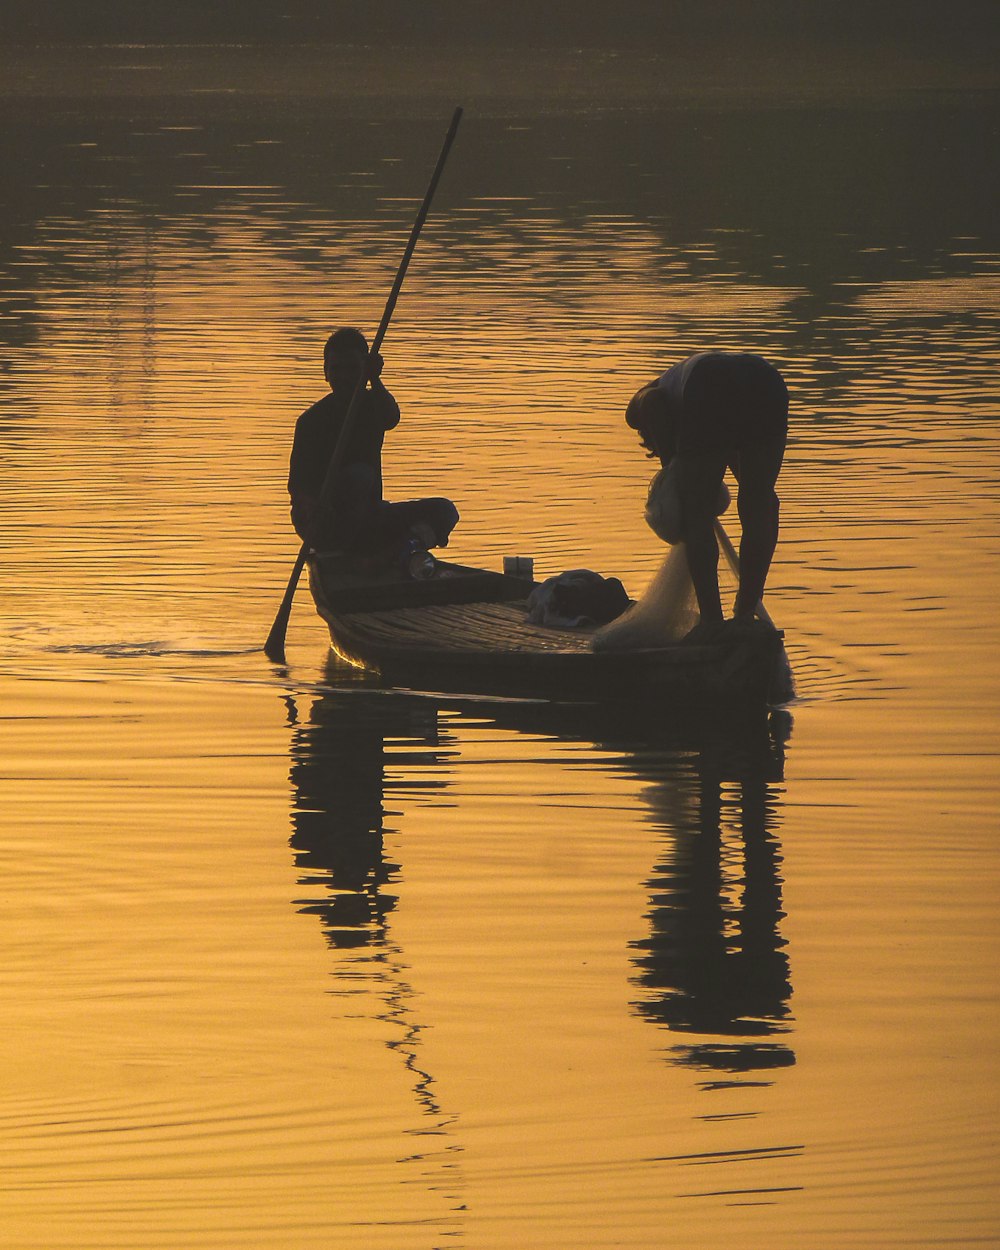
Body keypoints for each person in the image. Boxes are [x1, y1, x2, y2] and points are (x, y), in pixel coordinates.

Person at [625, 351, 788, 638]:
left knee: (695, 509)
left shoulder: (641, 404)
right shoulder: (683, 394)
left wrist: (674, 474)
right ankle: (744, 616)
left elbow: (651, 404)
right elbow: (733, 449)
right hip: (768, 383)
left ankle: (712, 622)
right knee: (760, 501)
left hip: (711, 385)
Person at [288, 327, 458, 562]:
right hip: (329, 524)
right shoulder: (310, 421)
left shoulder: (371, 406)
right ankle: (353, 554)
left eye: (352, 369)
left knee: (445, 510)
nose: (344, 377)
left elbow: (391, 417)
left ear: (363, 372)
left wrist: (375, 379)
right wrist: (313, 507)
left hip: (371, 518)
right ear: (325, 372)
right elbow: (299, 488)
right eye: (336, 369)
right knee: (360, 475)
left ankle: (406, 549)